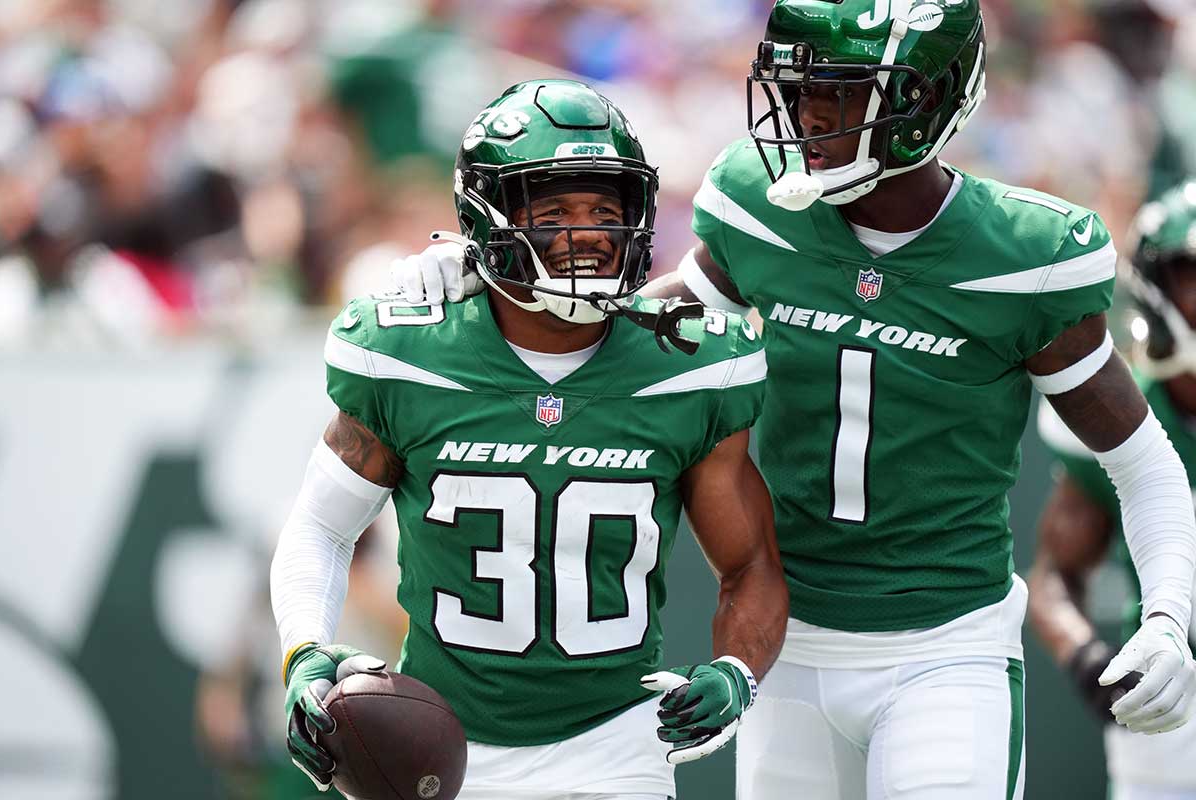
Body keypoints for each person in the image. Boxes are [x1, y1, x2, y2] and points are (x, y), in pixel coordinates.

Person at [393, 3, 1196, 798]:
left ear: (924, 102)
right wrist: (497, 283)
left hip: (943, 648)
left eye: (834, 94)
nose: (800, 116)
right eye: (793, 89)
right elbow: (640, 330)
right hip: (787, 646)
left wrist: (1165, 615)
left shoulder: (1025, 256)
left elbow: (1140, 460)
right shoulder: (756, 204)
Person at [270, 79, 789, 800]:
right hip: (444, 744)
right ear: (487, 219)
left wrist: (737, 672)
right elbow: (321, 528)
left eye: (607, 209)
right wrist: (304, 651)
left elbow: (752, 564)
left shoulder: (693, 367)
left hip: (620, 744)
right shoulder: (407, 351)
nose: (589, 234)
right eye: (554, 209)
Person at [1031, 179, 1196, 800]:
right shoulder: (1122, 415)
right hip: (1172, 697)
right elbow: (1052, 576)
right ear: (1157, 289)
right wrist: (1086, 658)